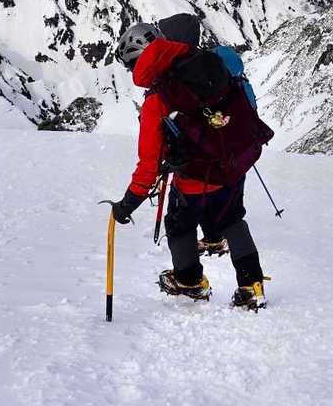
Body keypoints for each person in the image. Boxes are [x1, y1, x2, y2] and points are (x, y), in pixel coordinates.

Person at [107, 19, 270, 309]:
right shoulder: (205, 61)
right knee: (232, 220)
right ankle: (252, 285)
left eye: (131, 66)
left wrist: (127, 205)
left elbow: (149, 164)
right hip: (233, 165)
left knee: (180, 226)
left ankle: (189, 282)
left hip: (194, 179)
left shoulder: (159, 97)